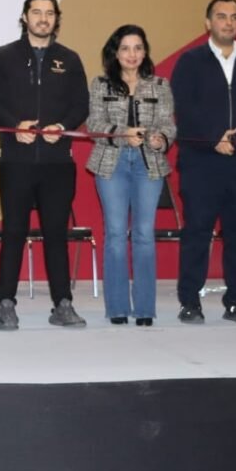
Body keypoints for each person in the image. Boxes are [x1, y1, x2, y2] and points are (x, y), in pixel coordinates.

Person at [0, 0, 89, 329]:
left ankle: (63, 304)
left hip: (58, 163)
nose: (43, 18)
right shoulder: (4, 56)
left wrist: (63, 126)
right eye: (37, 12)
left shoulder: (70, 59)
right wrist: (14, 126)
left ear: (56, 19)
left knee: (56, 233)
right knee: (13, 231)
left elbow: (81, 105)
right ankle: (6, 305)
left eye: (49, 13)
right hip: (16, 161)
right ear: (25, 17)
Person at [171, 0, 236, 325]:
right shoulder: (190, 62)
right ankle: (190, 301)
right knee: (197, 233)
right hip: (201, 163)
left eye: (234, 17)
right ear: (208, 23)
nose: (228, 22)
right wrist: (214, 137)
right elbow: (183, 108)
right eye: (221, 16)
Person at [85, 25, 175, 327]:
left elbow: (168, 125)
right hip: (112, 164)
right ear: (115, 53)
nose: (132, 54)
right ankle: (117, 308)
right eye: (125, 48)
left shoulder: (160, 85)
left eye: (138, 48)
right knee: (114, 234)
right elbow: (94, 124)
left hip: (149, 165)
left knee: (144, 235)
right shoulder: (101, 84)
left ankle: (145, 309)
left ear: (145, 52)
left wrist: (161, 139)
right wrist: (123, 134)